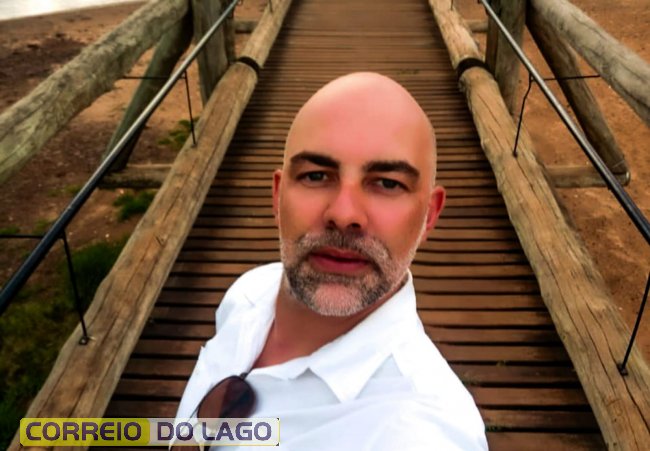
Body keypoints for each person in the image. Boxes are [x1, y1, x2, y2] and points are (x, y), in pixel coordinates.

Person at [174, 72, 488, 450]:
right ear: (277, 197)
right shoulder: (248, 293)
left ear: (429, 216)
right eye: (316, 175)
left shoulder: (421, 434)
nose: (343, 214)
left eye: (388, 183)